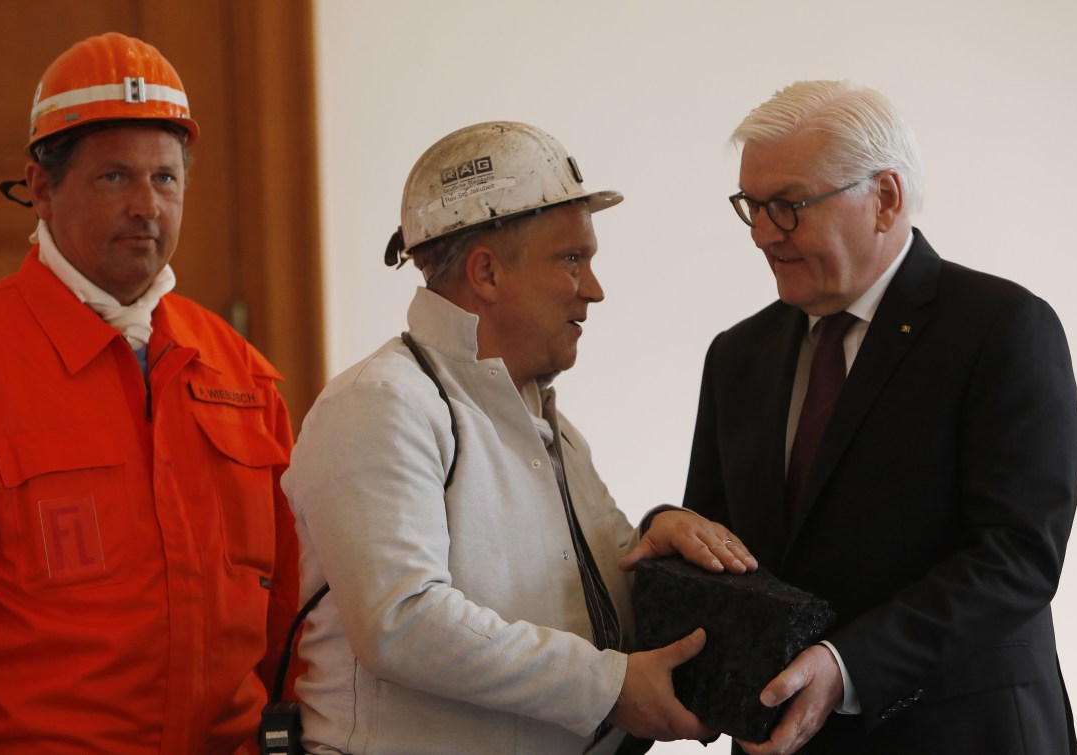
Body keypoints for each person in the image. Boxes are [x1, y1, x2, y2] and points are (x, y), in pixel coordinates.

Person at [283, 121, 756, 755]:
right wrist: (611, 687)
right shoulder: (380, 404)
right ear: (486, 273)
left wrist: (655, 535)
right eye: (571, 259)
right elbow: (402, 623)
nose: (594, 289)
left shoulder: (546, 424)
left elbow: (594, 589)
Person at [683, 79, 1077, 754]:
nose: (759, 235)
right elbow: (716, 546)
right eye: (751, 206)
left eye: (787, 206)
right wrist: (665, 524)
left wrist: (847, 666)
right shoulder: (737, 355)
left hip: (964, 734)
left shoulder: (1002, 328)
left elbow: (1017, 555)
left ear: (885, 199)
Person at [0, 33, 299, 753]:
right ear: (40, 185)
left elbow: (292, 614)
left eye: (165, 179)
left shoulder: (243, 378)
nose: (145, 206)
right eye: (113, 179)